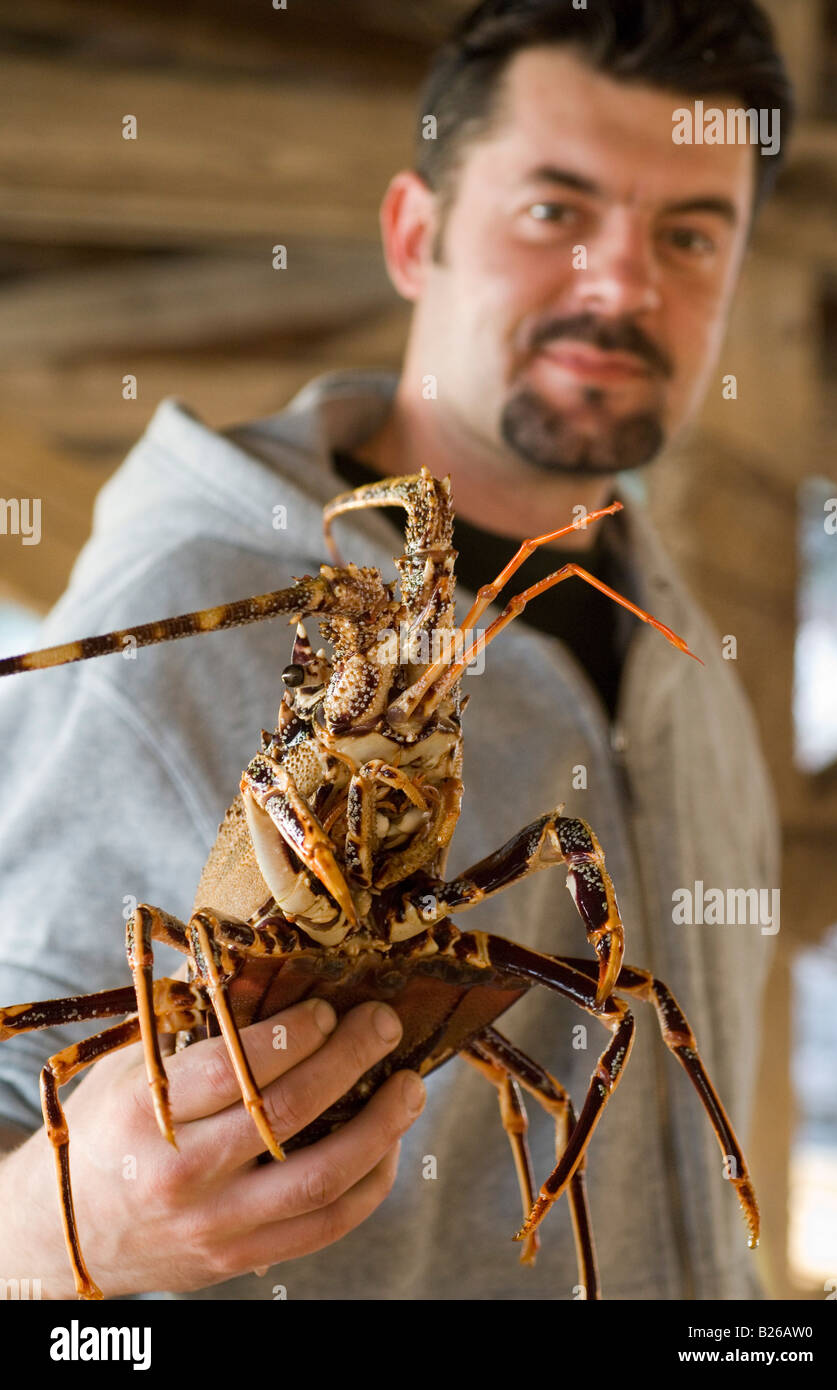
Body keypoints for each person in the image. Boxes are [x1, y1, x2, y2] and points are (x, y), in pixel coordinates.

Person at [0, 0, 790, 1300]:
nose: (621, 283)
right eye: (556, 209)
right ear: (415, 234)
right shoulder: (188, 591)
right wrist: (49, 1232)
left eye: (690, 233)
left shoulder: (682, 634)